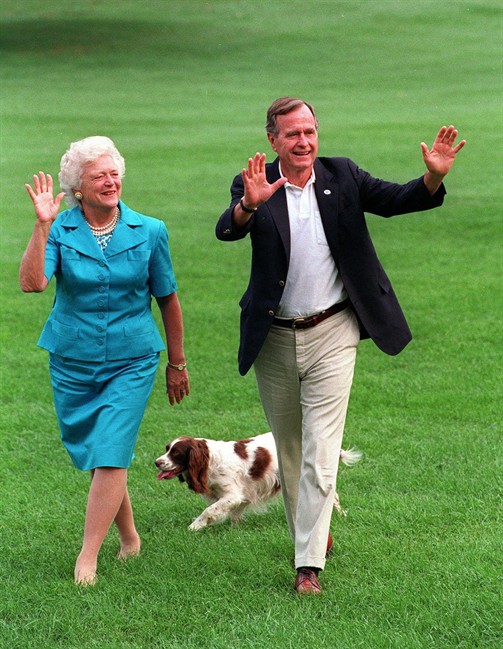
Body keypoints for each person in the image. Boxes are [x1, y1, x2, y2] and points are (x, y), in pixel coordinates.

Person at [216, 97, 465, 595]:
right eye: (292, 134)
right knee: (288, 449)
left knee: (321, 450)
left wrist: (433, 177)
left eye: (310, 131)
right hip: (275, 337)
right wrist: (249, 203)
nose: (304, 141)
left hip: (334, 330)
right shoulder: (256, 181)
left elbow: (398, 199)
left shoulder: (343, 175)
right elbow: (227, 228)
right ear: (273, 140)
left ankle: (307, 563)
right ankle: (311, 532)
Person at [20, 136, 190, 586]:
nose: (110, 181)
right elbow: (33, 283)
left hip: (132, 359)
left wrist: (177, 363)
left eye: (114, 173)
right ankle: (130, 537)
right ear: (78, 187)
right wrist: (41, 227)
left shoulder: (150, 230)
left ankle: (87, 557)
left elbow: (168, 299)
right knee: (99, 454)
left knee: (112, 451)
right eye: (99, 176)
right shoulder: (60, 229)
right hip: (72, 360)